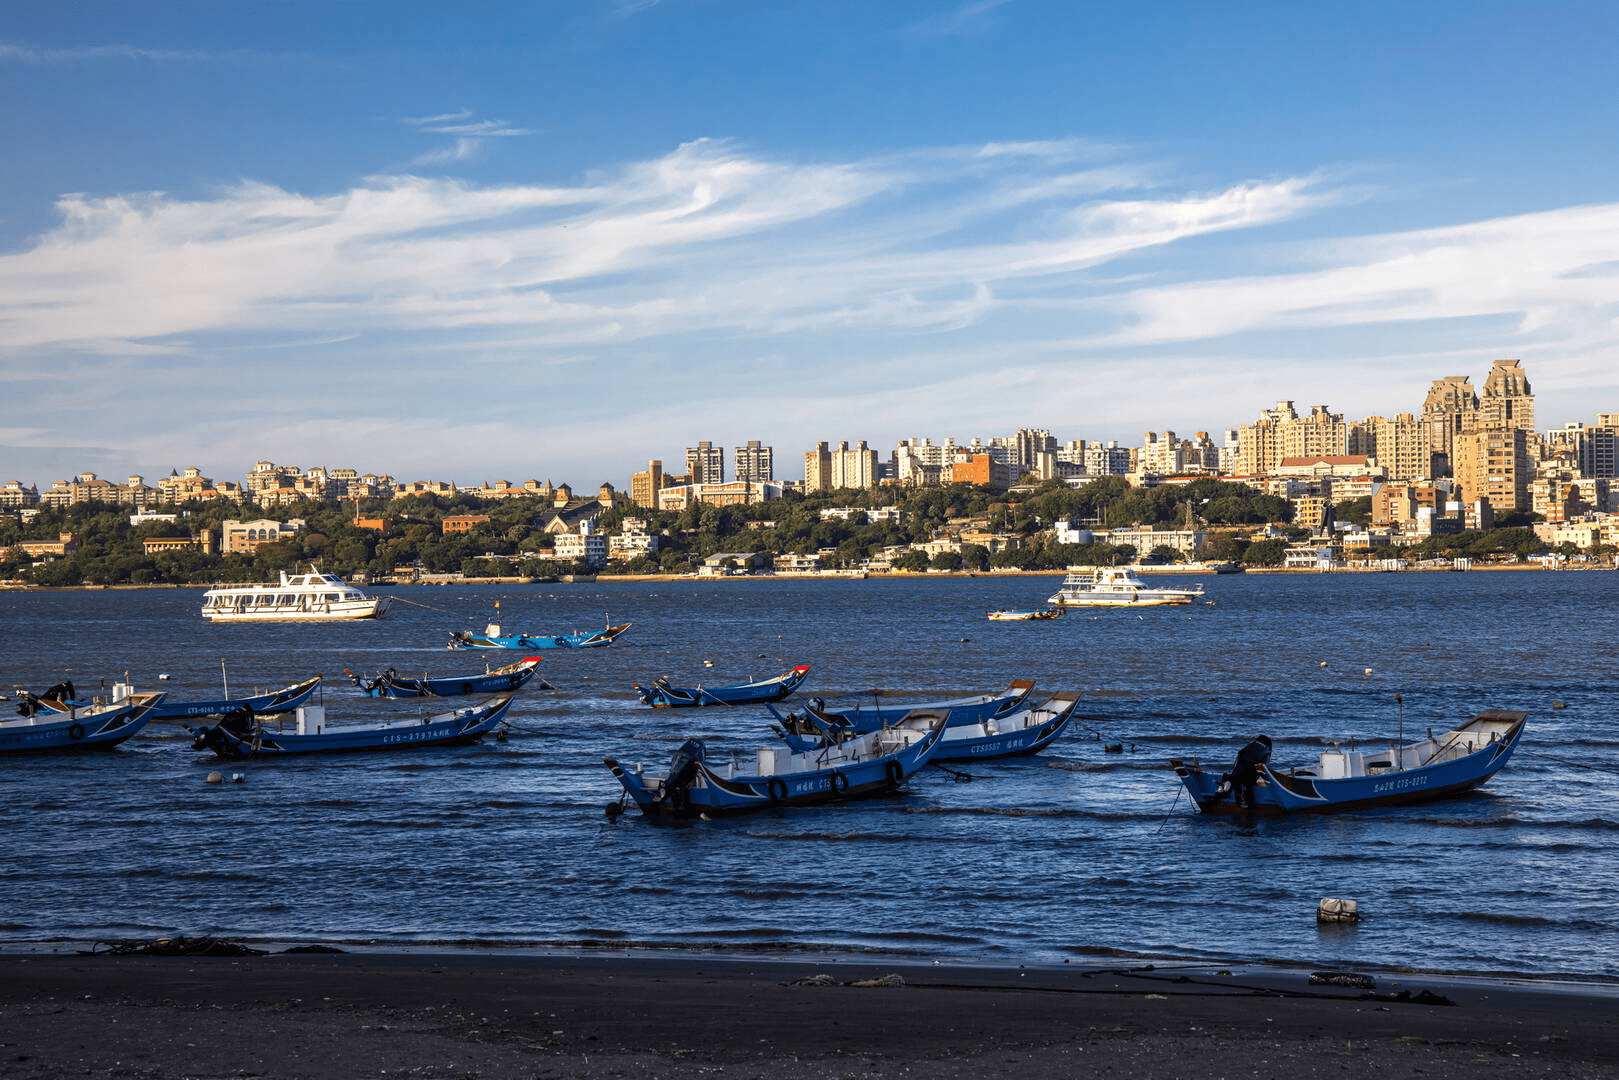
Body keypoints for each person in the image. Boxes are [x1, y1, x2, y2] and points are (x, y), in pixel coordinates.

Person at [1228, 734, 1273, 809]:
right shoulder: (1263, 751)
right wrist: (1263, 784)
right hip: (1247, 776)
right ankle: (1250, 807)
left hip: (1236, 776)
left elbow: (1237, 766)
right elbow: (1261, 769)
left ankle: (1241, 800)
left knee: (1242, 784)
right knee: (1251, 786)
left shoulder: (1247, 747)